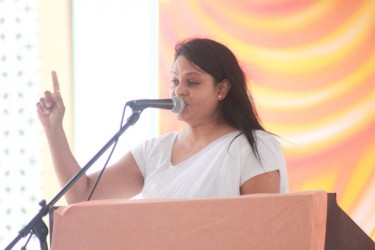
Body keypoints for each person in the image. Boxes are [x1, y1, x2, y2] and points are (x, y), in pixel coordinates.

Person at [36, 38, 288, 204]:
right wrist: (53, 129)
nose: (179, 91)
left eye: (192, 82)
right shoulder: (153, 152)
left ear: (221, 89)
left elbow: (262, 229)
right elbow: (82, 195)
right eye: (175, 81)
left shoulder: (254, 148)